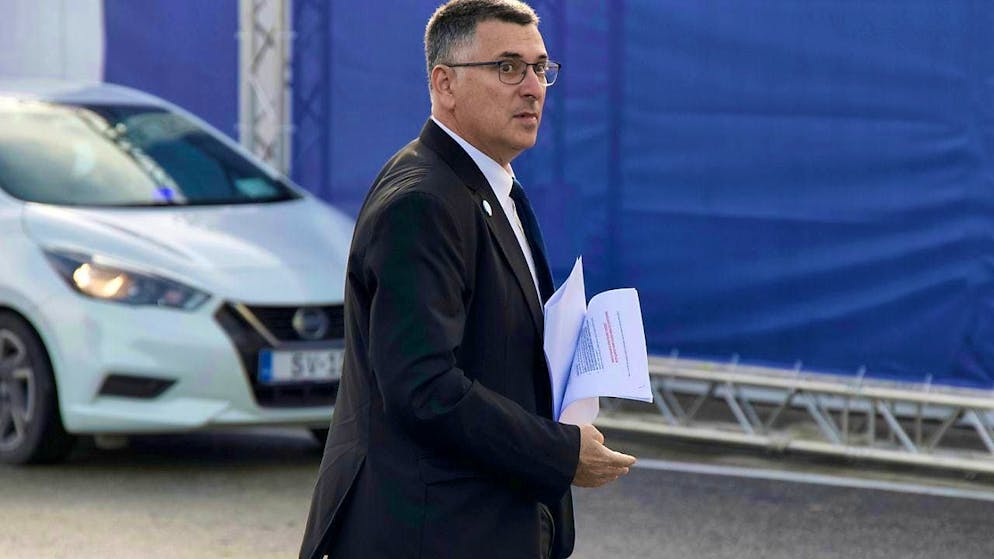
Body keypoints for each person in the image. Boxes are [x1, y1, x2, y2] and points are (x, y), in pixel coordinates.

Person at [299, 1, 636, 557]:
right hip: (430, 534)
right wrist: (560, 452)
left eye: (540, 68)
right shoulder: (422, 202)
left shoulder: (491, 187)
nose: (532, 87)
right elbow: (424, 388)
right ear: (444, 83)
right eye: (508, 67)